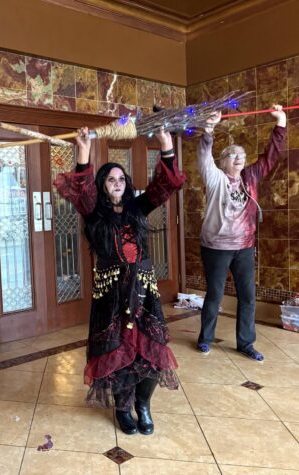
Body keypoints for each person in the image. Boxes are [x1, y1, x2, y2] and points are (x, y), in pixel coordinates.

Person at [53, 126, 185, 435]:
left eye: (121, 179)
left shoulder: (138, 207)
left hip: (143, 290)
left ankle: (144, 405)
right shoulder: (94, 211)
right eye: (111, 179)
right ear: (102, 185)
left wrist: (167, 146)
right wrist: (83, 152)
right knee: (118, 350)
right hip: (111, 294)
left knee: (151, 347)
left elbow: (166, 186)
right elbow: (81, 190)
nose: (117, 183)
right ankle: (123, 407)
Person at [196, 105, 286, 361]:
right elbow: (203, 156)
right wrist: (209, 129)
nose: (239, 157)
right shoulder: (214, 178)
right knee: (214, 295)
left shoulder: (251, 176)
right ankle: (205, 339)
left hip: (245, 247)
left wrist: (280, 123)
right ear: (222, 160)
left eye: (242, 154)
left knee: (248, 297)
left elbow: (270, 158)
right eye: (233, 154)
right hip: (216, 247)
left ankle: (246, 343)